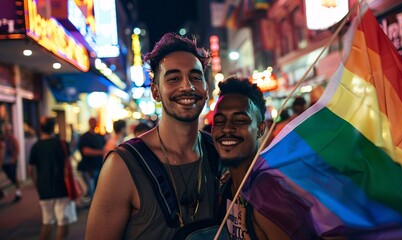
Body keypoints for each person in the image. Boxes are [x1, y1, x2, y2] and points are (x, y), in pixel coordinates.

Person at [86, 33, 221, 239]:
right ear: (156, 92)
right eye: (173, 78)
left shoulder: (218, 151)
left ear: (205, 88)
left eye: (195, 77)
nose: (187, 86)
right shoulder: (122, 166)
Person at [212, 77, 316, 239]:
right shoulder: (226, 188)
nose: (226, 128)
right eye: (219, 121)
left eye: (239, 120)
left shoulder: (269, 198)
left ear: (260, 129)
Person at [28, 117, 77, 240]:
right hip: (61, 186)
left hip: (43, 187)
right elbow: (68, 165)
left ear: (40, 129)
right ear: (53, 128)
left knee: (47, 220)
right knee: (62, 221)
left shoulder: (36, 146)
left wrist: (37, 184)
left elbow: (30, 170)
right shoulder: (61, 144)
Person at [78, 117, 105, 198]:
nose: (94, 124)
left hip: (98, 166)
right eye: (93, 122)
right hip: (89, 167)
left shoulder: (99, 136)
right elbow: (86, 151)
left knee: (97, 189)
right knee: (92, 191)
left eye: (95, 122)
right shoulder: (85, 136)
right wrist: (101, 152)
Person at [0, 123, 21, 203]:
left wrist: (14, 159)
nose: (7, 132)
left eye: (8, 130)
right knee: (7, 177)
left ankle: (18, 192)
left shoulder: (13, 139)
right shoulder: (2, 139)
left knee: (13, 177)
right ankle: (2, 192)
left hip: (11, 161)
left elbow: (17, 149)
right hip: (4, 162)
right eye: (5, 130)